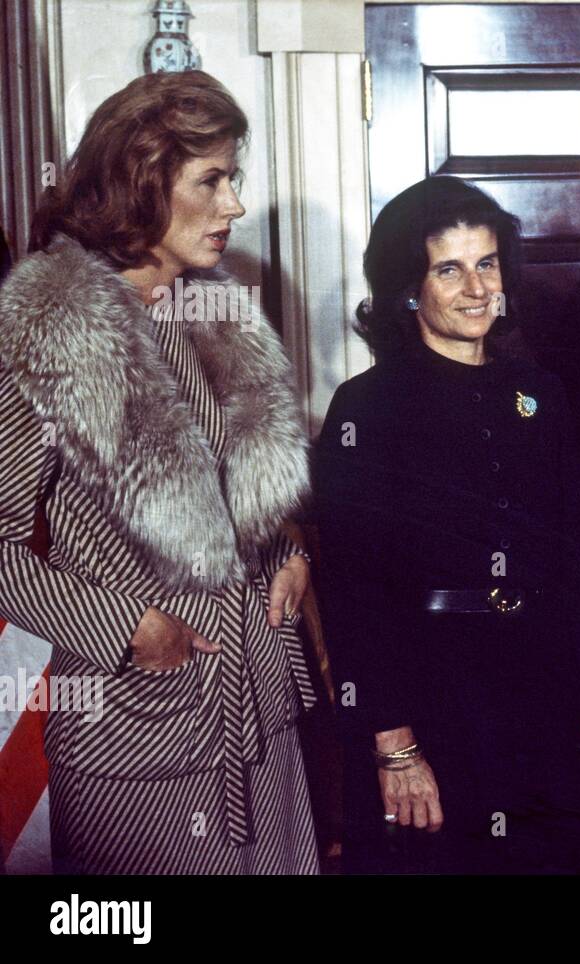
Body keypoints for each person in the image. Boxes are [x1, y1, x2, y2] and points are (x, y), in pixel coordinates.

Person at [0, 71, 317, 874]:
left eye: (232, 178)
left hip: (261, 720)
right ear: (141, 179)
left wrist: (289, 556)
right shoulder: (46, 325)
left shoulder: (216, 314)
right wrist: (125, 629)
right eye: (211, 179)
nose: (235, 205)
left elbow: (238, 510)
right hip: (135, 734)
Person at [313, 175, 580, 874]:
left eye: (486, 264)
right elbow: (351, 591)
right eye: (448, 269)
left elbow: (578, 557)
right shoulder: (366, 409)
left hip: (541, 694)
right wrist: (394, 745)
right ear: (406, 287)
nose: (476, 287)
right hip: (430, 697)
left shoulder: (539, 396)